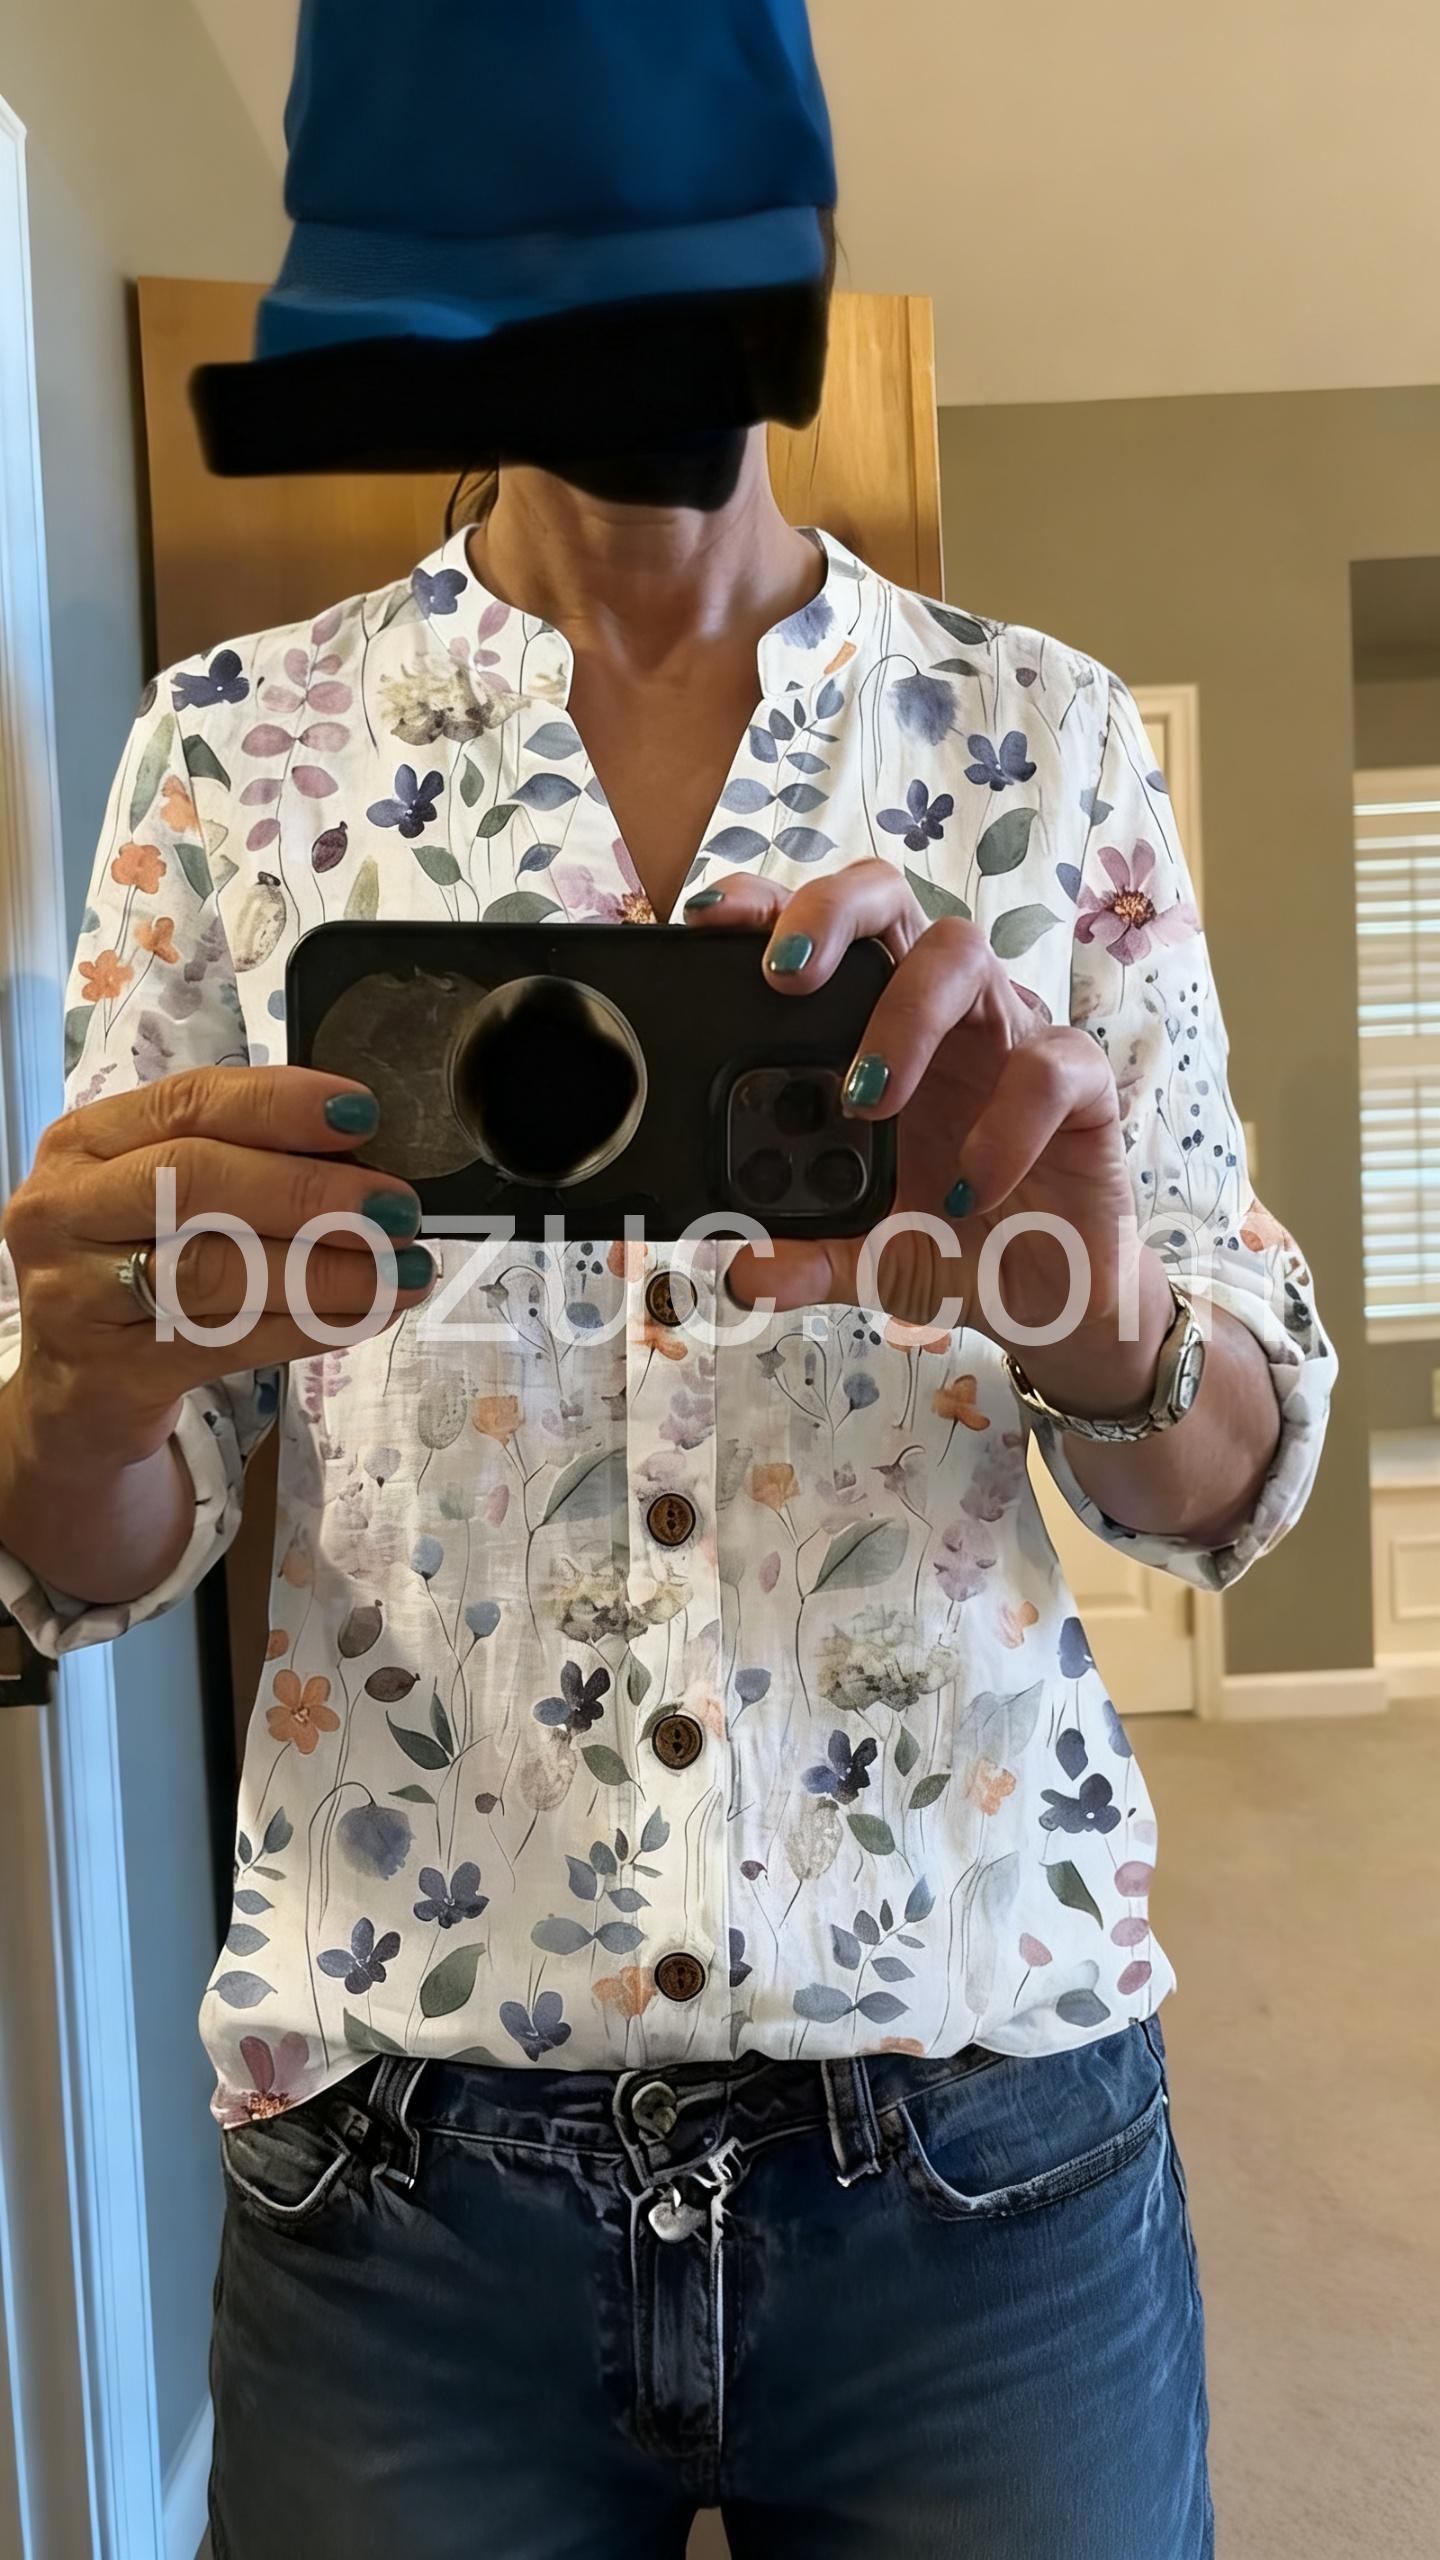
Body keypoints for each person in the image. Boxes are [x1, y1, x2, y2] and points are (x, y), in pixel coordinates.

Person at [0, 7, 1334, 2555]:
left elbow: (1230, 1470)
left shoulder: (1041, 746)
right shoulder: (231, 756)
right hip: (402, 2173)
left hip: (981, 2128)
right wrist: (76, 1396)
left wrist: (1093, 1310)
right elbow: (100, 1537)